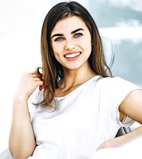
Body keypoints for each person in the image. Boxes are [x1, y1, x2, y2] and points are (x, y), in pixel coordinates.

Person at [8, 1, 142, 159]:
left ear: (91, 37)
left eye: (77, 34)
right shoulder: (44, 95)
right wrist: (20, 98)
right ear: (50, 46)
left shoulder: (109, 89)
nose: (69, 45)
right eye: (59, 38)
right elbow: (21, 155)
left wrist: (113, 146)